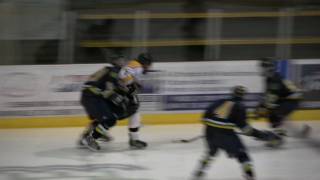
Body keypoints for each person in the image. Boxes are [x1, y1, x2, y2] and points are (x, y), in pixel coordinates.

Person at [193, 86, 283, 180]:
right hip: (225, 134)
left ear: (232, 93)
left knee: (211, 153)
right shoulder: (240, 106)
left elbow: (204, 118)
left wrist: (215, 128)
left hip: (209, 131)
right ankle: (249, 175)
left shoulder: (220, 101)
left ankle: (200, 170)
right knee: (242, 155)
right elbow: (245, 129)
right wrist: (262, 135)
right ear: (243, 96)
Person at [255, 57, 310, 137]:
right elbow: (268, 95)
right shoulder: (270, 78)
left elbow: (271, 100)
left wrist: (261, 109)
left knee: (275, 114)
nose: (260, 70)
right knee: (273, 118)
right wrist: (261, 107)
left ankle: (280, 135)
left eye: (262, 68)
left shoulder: (274, 80)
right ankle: (283, 132)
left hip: (293, 100)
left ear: (268, 68)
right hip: (286, 98)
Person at [118, 52, 153, 149]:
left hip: (118, 87)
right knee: (135, 111)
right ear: (145, 62)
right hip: (125, 88)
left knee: (133, 111)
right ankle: (134, 139)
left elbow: (126, 76)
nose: (149, 66)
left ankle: (133, 135)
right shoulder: (139, 68)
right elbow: (130, 80)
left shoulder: (133, 63)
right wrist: (138, 85)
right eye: (148, 64)